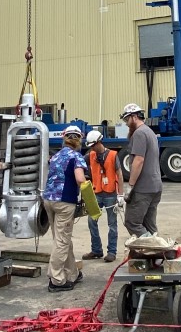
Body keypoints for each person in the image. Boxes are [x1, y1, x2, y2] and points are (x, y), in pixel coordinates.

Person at [43, 124, 88, 291]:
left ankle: (72, 273)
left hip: (48, 200)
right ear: (78, 140)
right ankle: (56, 280)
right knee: (62, 241)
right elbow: (80, 179)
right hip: (64, 202)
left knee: (61, 239)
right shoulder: (76, 157)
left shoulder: (55, 157)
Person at [116, 103, 161, 238]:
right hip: (155, 186)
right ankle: (158, 257)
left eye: (126, 120)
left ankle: (154, 248)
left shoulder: (139, 133)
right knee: (149, 225)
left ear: (134, 117)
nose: (126, 123)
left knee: (132, 222)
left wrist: (130, 187)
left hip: (143, 188)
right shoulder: (150, 132)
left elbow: (138, 161)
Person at [81, 129, 119, 262]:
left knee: (112, 224)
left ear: (98, 142)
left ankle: (112, 252)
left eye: (93, 146)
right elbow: (79, 162)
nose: (92, 149)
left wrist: (120, 193)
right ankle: (96, 250)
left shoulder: (113, 155)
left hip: (110, 194)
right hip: (97, 193)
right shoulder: (91, 155)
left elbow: (119, 173)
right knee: (92, 221)